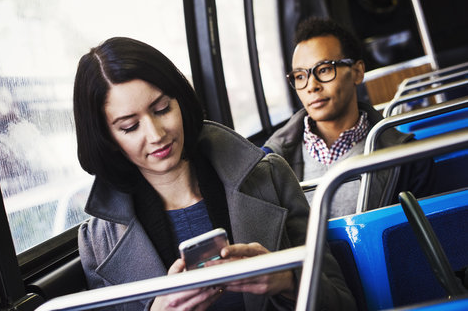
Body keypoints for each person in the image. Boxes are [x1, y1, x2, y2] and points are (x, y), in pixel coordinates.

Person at [73, 37, 356, 310]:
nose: (156, 134)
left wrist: (286, 280)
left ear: (180, 102)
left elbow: (343, 303)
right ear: (107, 138)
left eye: (162, 109)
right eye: (130, 127)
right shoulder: (97, 241)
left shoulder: (270, 177)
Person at [263, 17, 435, 217]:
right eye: (301, 76)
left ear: (357, 72)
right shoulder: (271, 162)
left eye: (325, 69)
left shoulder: (410, 159)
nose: (312, 86)